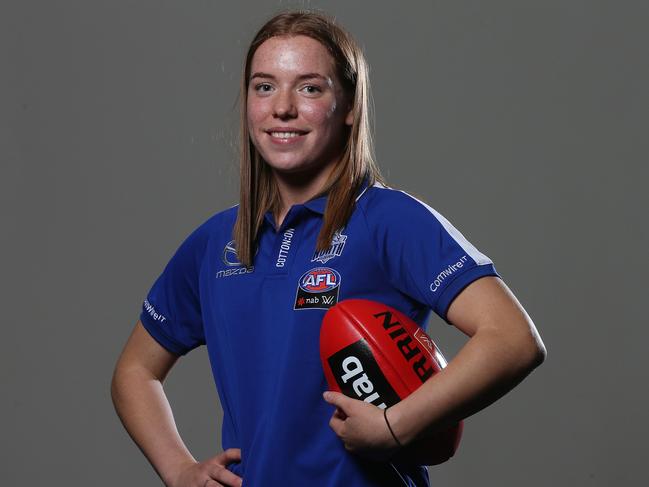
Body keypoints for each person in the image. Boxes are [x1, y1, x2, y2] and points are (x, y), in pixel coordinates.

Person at [111, 10, 546, 487]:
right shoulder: (216, 243)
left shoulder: (388, 221)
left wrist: (393, 427)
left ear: (350, 106)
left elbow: (513, 340)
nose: (282, 108)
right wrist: (178, 470)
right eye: (264, 86)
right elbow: (135, 371)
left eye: (309, 88)